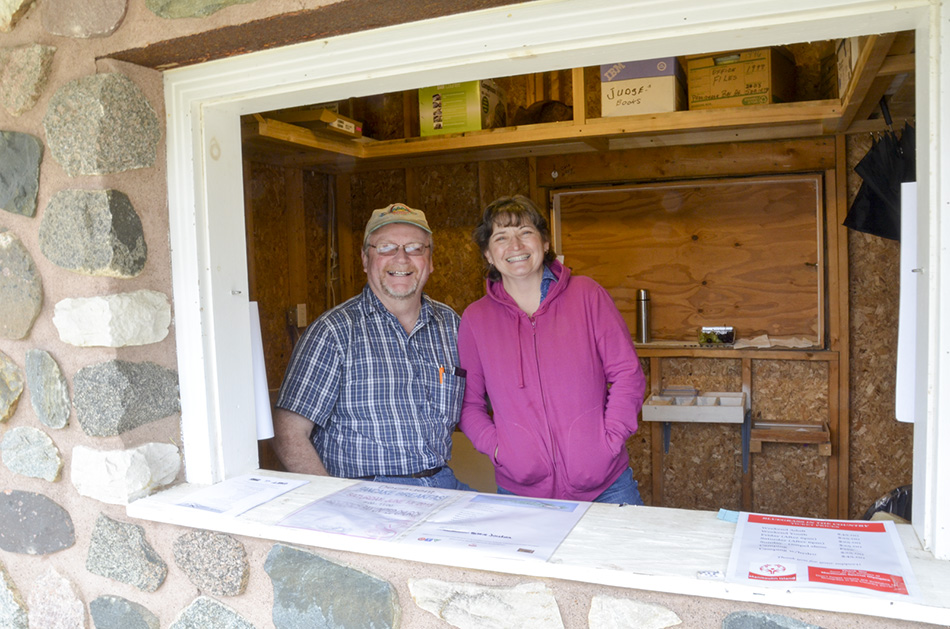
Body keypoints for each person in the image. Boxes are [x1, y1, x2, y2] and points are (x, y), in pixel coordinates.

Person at [457, 195, 646, 503]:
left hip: (607, 486)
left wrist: (609, 441)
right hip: (521, 491)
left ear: (544, 243)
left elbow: (628, 374)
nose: (515, 246)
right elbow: (469, 403)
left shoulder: (587, 295)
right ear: (489, 254)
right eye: (501, 237)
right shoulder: (475, 319)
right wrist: (498, 449)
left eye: (525, 232)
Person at [274, 203, 470, 490]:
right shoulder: (334, 331)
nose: (401, 259)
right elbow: (287, 433)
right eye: (386, 248)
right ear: (366, 260)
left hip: (442, 482)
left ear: (430, 260)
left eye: (415, 248)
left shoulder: (451, 324)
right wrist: (332, 500)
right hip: (366, 492)